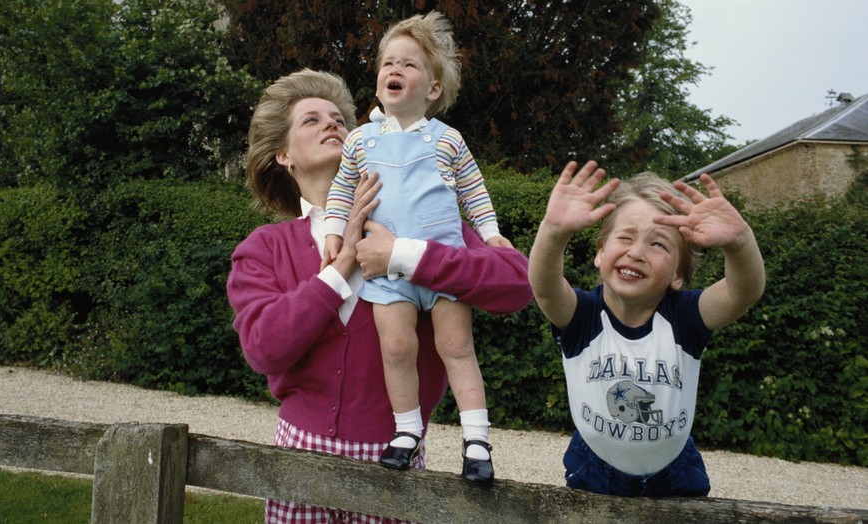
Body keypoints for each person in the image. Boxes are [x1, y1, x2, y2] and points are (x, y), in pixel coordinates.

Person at [227, 68, 532, 522]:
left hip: (397, 465)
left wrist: (405, 255)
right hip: (298, 458)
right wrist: (344, 261)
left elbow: (516, 285)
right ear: (284, 155)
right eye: (311, 120)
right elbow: (264, 349)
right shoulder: (264, 248)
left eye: (338, 118)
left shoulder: (431, 226)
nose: (332, 123)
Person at [320, 11, 510, 485]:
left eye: (408, 64)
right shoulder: (361, 140)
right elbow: (342, 191)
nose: (394, 70)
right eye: (387, 63)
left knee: (456, 347)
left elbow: (473, 191)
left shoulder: (448, 139)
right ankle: (406, 432)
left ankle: (477, 439)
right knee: (398, 348)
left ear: (432, 89)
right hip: (387, 274)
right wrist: (335, 234)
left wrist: (489, 234)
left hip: (443, 267)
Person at [528, 161, 765, 497]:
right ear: (600, 253)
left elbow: (744, 292)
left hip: (675, 471)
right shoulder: (583, 316)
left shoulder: (686, 318)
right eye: (625, 237)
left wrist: (739, 242)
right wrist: (553, 231)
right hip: (595, 467)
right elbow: (545, 287)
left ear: (678, 276)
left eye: (658, 245)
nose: (636, 252)